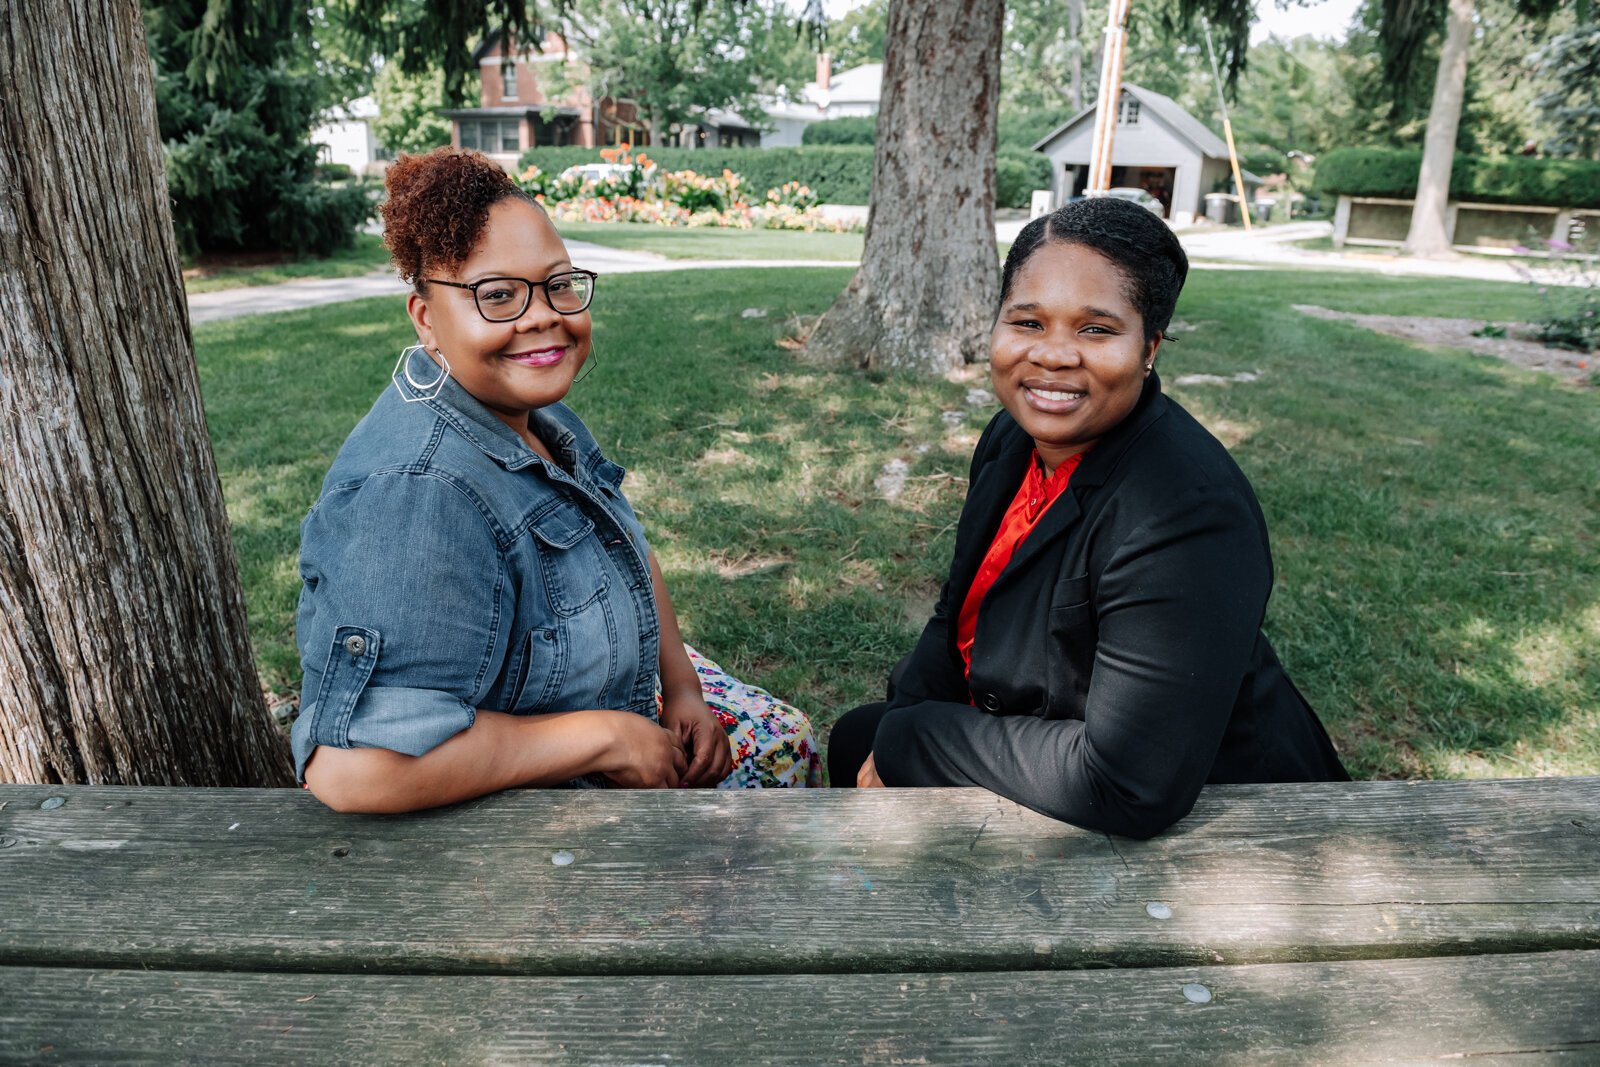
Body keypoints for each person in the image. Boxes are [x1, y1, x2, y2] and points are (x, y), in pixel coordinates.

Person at [293, 148, 818, 812]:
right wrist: (605, 739)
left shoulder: (532, 414)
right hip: (515, 829)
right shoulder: (419, 494)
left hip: (619, 701)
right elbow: (354, 771)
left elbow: (619, 543)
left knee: (788, 742)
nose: (543, 314)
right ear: (426, 319)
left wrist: (682, 685)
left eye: (559, 283)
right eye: (499, 295)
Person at [827, 196, 1347, 838]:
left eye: (1096, 330)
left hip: (1222, 816)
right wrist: (897, 730)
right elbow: (957, 610)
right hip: (1065, 729)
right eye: (1027, 322)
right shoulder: (1012, 441)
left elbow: (1131, 781)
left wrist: (915, 737)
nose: (1052, 356)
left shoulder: (1187, 513)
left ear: (1150, 346)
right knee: (861, 739)